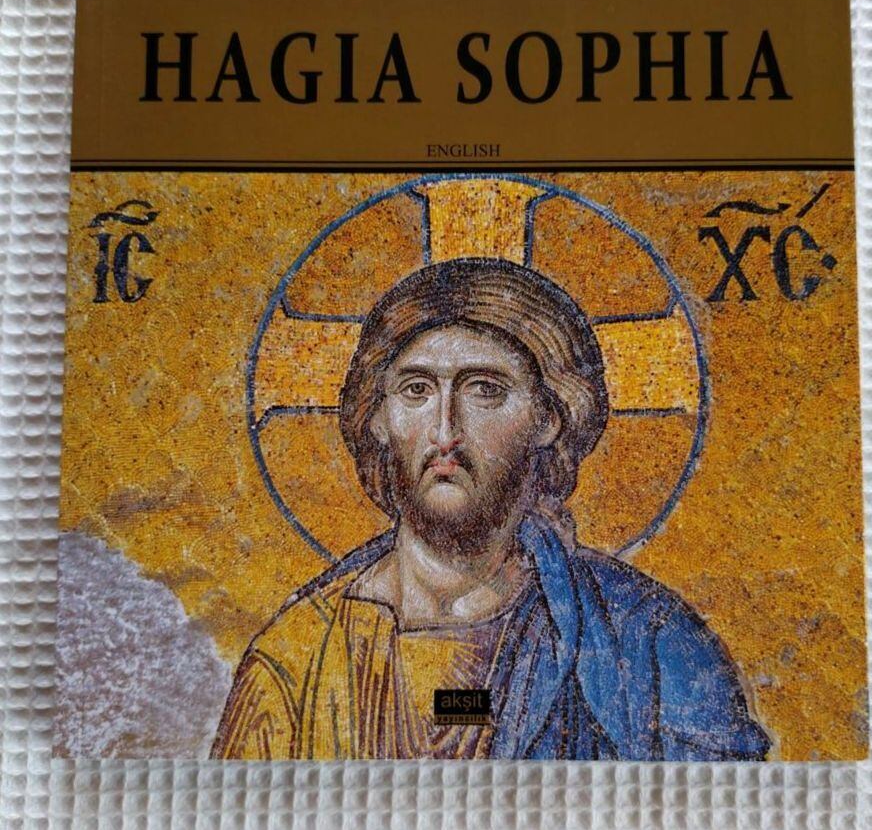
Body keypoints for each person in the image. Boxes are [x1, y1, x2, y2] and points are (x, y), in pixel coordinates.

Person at [212, 258, 770, 760]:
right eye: (416, 390)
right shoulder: (297, 660)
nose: (445, 431)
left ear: (548, 418)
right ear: (379, 418)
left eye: (484, 390)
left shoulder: (647, 640)